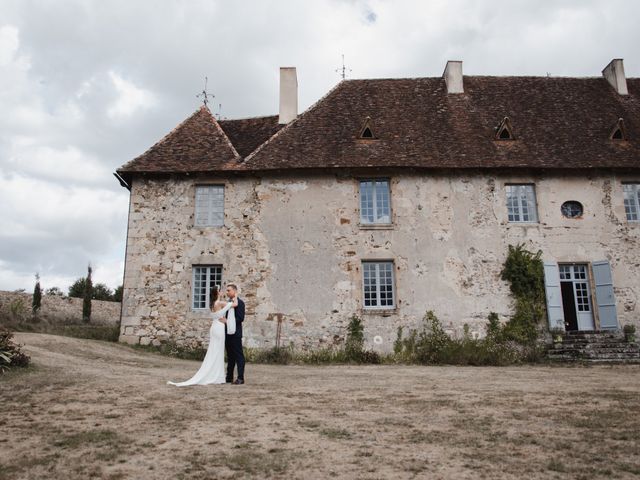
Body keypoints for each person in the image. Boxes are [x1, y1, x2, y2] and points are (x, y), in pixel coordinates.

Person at [167, 285, 235, 386]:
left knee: (214, 351)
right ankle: (217, 376)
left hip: (214, 327)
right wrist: (236, 295)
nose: (222, 292)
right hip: (219, 328)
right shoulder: (219, 303)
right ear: (217, 293)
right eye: (220, 290)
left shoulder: (212, 304)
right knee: (218, 351)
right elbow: (234, 304)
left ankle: (217, 375)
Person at [225, 284, 246, 385]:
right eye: (227, 290)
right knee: (230, 356)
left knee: (239, 356)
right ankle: (229, 377)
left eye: (229, 290)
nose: (227, 292)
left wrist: (229, 321)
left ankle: (240, 378)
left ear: (234, 291)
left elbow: (240, 318)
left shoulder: (240, 303)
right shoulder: (228, 303)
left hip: (236, 333)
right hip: (228, 333)